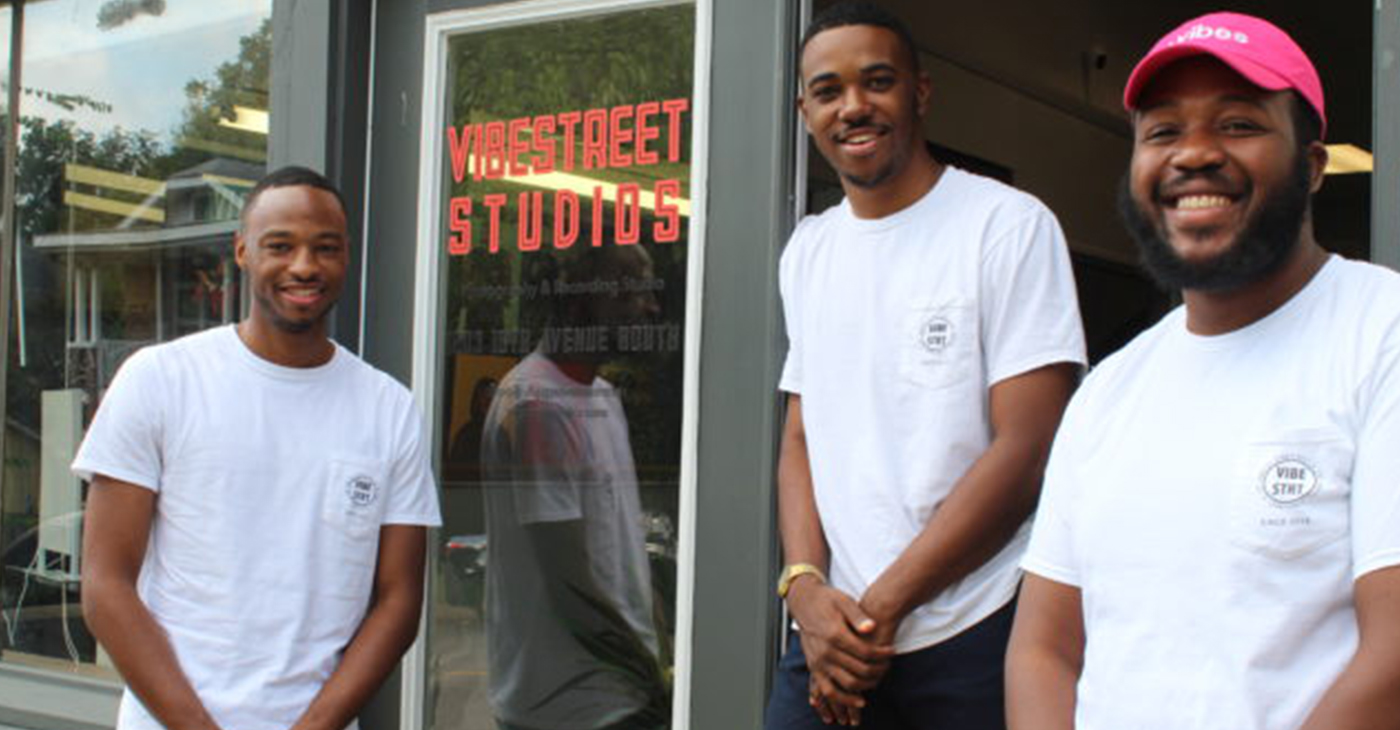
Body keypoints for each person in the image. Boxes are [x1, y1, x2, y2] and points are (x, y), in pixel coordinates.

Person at [1007, 12, 1400, 730]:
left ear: (1313, 167)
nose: (1193, 154)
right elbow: (1044, 651)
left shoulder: (1382, 334)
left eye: (1238, 124)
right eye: (1162, 132)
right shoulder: (1109, 391)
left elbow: (1394, 661)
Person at [767, 3, 1085, 728]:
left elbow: (1028, 450)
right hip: (830, 633)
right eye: (828, 90)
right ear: (804, 110)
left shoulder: (1006, 226)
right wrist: (805, 589)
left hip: (972, 628)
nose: (854, 106)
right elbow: (800, 437)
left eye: (878, 81)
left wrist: (876, 611)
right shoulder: (809, 251)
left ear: (920, 92)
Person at [75, 166, 442, 730]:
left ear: (346, 256)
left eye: (326, 248)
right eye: (281, 245)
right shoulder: (161, 379)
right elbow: (106, 585)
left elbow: (397, 601)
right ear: (242, 251)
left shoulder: (388, 408)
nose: (303, 266)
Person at [481, 243, 668, 730]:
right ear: (582, 301)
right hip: (571, 707)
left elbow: (620, 551)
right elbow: (569, 581)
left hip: (616, 694)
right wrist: (651, 675)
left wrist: (659, 648)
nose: (652, 307)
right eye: (634, 292)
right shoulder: (536, 406)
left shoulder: (600, 397)